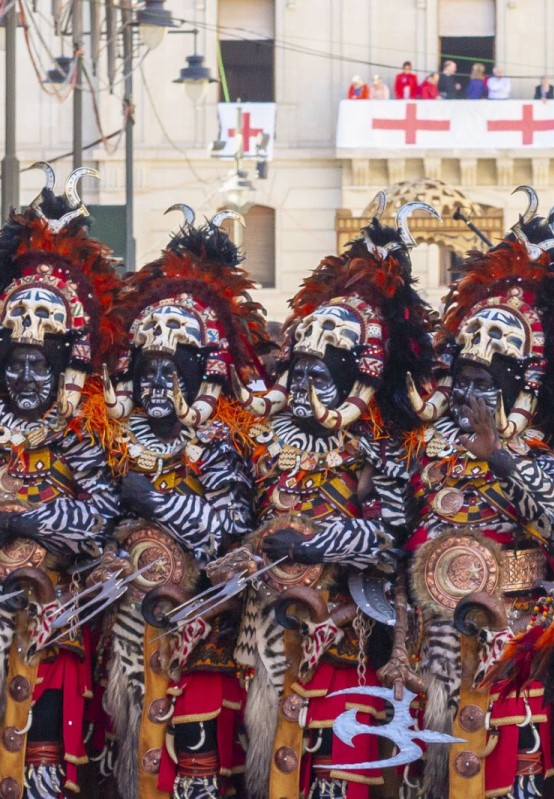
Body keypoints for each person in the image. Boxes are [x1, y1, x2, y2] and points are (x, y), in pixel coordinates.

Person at [381, 188, 554, 798]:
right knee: (434, 771)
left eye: (485, 383)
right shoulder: (420, 446)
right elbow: (390, 530)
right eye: (464, 379)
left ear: (520, 387)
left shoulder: (553, 447)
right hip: (431, 632)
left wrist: (500, 455)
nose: (469, 395)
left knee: (507, 769)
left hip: (515, 632)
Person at [234, 197, 438, 799]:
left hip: (345, 632)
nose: (303, 386)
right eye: (298, 372)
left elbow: (393, 538)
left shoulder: (380, 446)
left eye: (320, 375)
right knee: (262, 766)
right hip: (260, 626)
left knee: (334, 772)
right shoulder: (263, 439)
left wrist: (319, 543)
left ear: (353, 380)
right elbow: (233, 520)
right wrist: (248, 548)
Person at [97, 207, 267, 799]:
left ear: (200, 376)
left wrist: (159, 503)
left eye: (171, 372)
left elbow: (232, 529)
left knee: (194, 753)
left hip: (200, 629)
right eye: (148, 371)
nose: (156, 386)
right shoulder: (116, 437)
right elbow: (93, 522)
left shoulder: (220, 441)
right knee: (127, 754)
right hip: (123, 625)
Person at [0, 163, 120, 799]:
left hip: (52, 621)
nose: (25, 378)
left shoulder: (81, 432)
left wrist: (29, 522)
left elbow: (102, 518)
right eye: (15, 364)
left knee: (41, 765)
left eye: (37, 365)